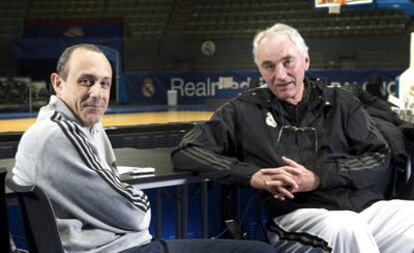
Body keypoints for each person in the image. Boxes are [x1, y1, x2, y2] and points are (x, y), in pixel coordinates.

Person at [8, 44, 276, 253]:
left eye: (105, 83)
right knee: (257, 250)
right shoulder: (60, 134)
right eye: (86, 81)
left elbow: (112, 186)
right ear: (58, 83)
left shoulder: (82, 124)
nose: (97, 93)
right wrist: (128, 197)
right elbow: (134, 215)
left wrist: (115, 191)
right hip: (118, 248)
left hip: (114, 244)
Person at [171, 24, 414, 253]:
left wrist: (319, 177)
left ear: (305, 61)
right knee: (347, 228)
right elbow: (188, 150)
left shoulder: (343, 102)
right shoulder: (243, 111)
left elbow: (378, 157)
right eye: (269, 66)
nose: (280, 75)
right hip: (299, 216)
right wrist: (251, 175)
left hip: (362, 209)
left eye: (288, 62)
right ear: (260, 70)